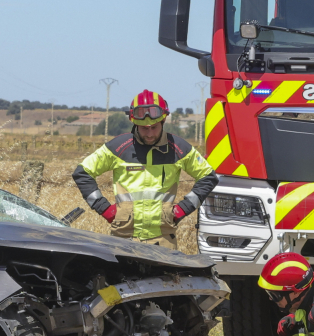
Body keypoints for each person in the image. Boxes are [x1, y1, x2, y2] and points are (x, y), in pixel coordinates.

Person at [72, 90, 218, 250]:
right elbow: (83, 173)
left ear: (163, 121)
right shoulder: (118, 147)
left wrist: (182, 210)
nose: (149, 134)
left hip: (163, 240)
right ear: (135, 123)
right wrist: (105, 209)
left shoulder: (178, 148)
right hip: (123, 238)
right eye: (144, 128)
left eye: (154, 128)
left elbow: (208, 177)